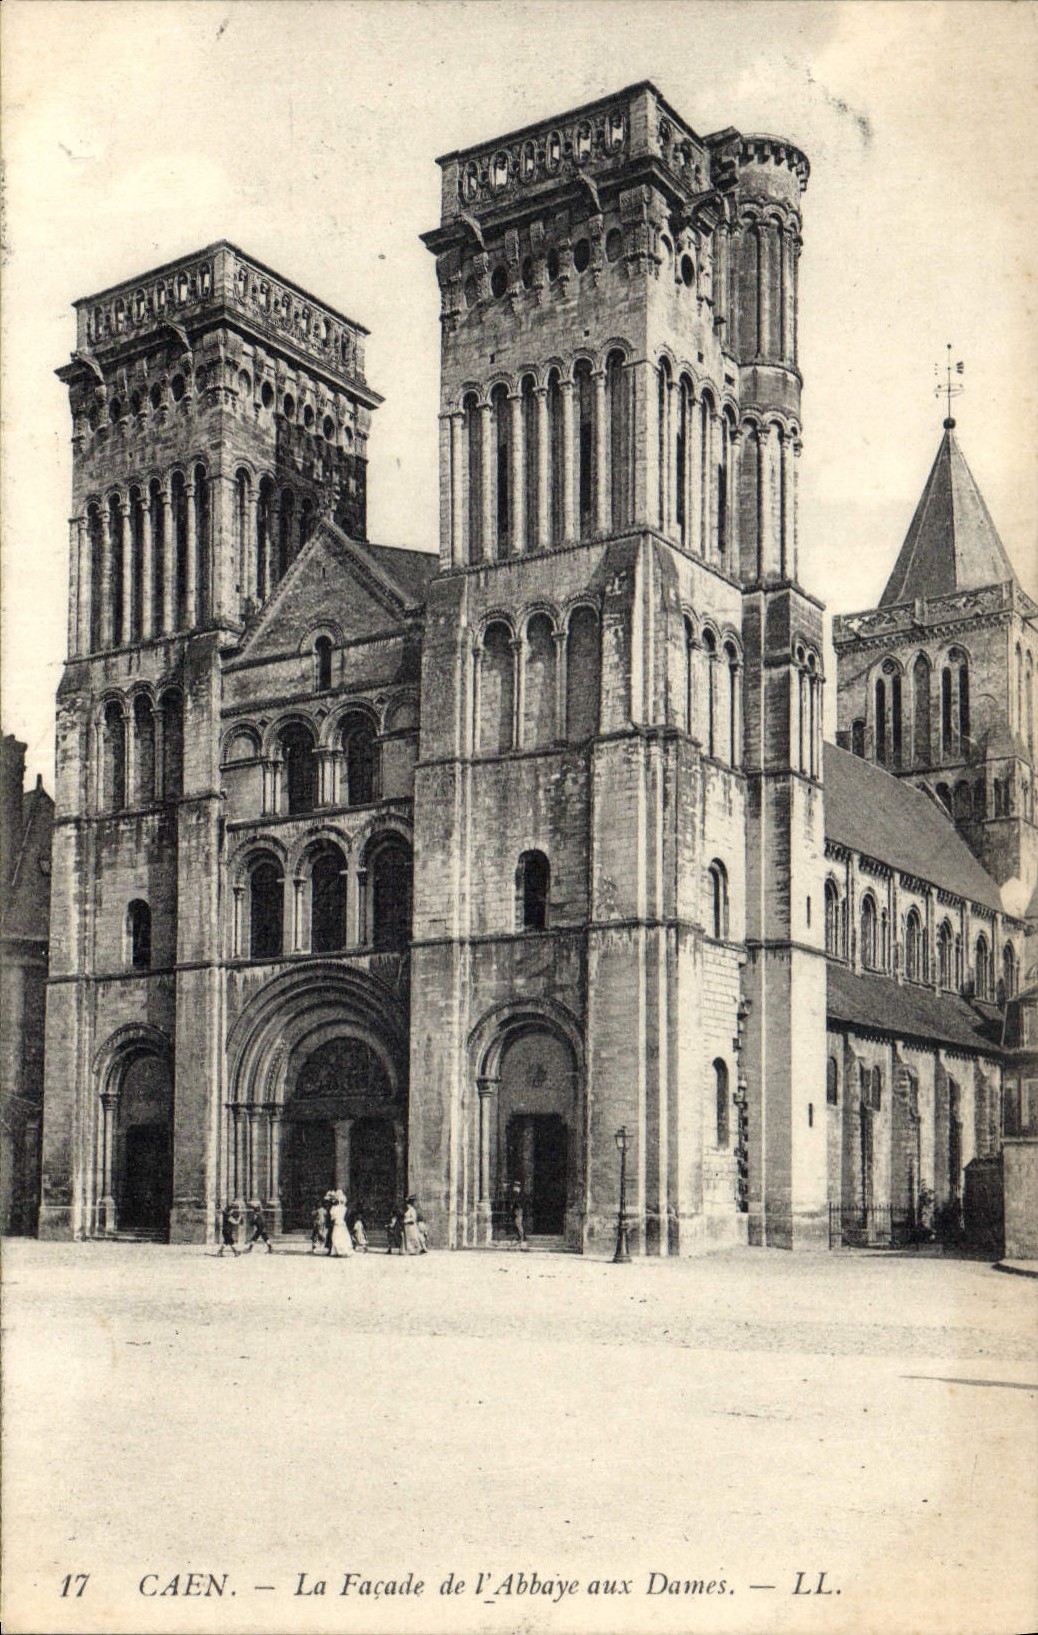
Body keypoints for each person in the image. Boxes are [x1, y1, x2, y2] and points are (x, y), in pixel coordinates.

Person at [510, 1180, 527, 1249]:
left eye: (516, 1187)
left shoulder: (519, 1195)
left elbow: (518, 1203)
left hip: (518, 1210)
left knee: (518, 1223)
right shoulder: (516, 1194)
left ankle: (522, 1238)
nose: (514, 1188)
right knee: (517, 1224)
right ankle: (520, 1237)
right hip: (517, 1211)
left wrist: (513, 1205)